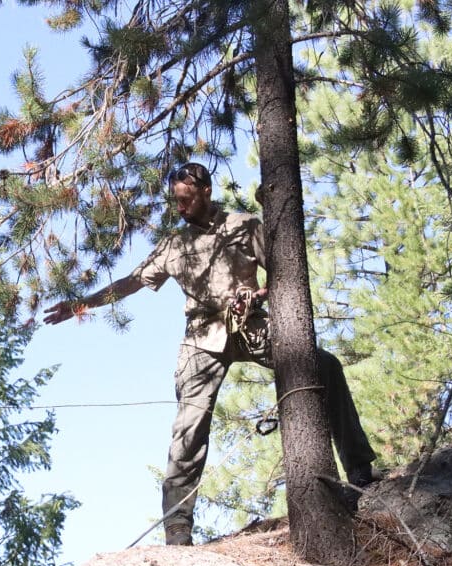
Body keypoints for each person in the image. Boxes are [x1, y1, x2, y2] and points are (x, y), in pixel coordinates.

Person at [43, 162, 377, 546]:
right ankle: (177, 528)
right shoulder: (174, 245)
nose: (180, 208)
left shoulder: (244, 226)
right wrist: (81, 304)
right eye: (176, 201)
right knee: (188, 429)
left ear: (205, 191)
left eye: (186, 199)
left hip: (250, 325)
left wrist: (256, 296)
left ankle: (359, 470)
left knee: (325, 365)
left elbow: (284, 275)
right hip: (201, 339)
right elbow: (130, 282)